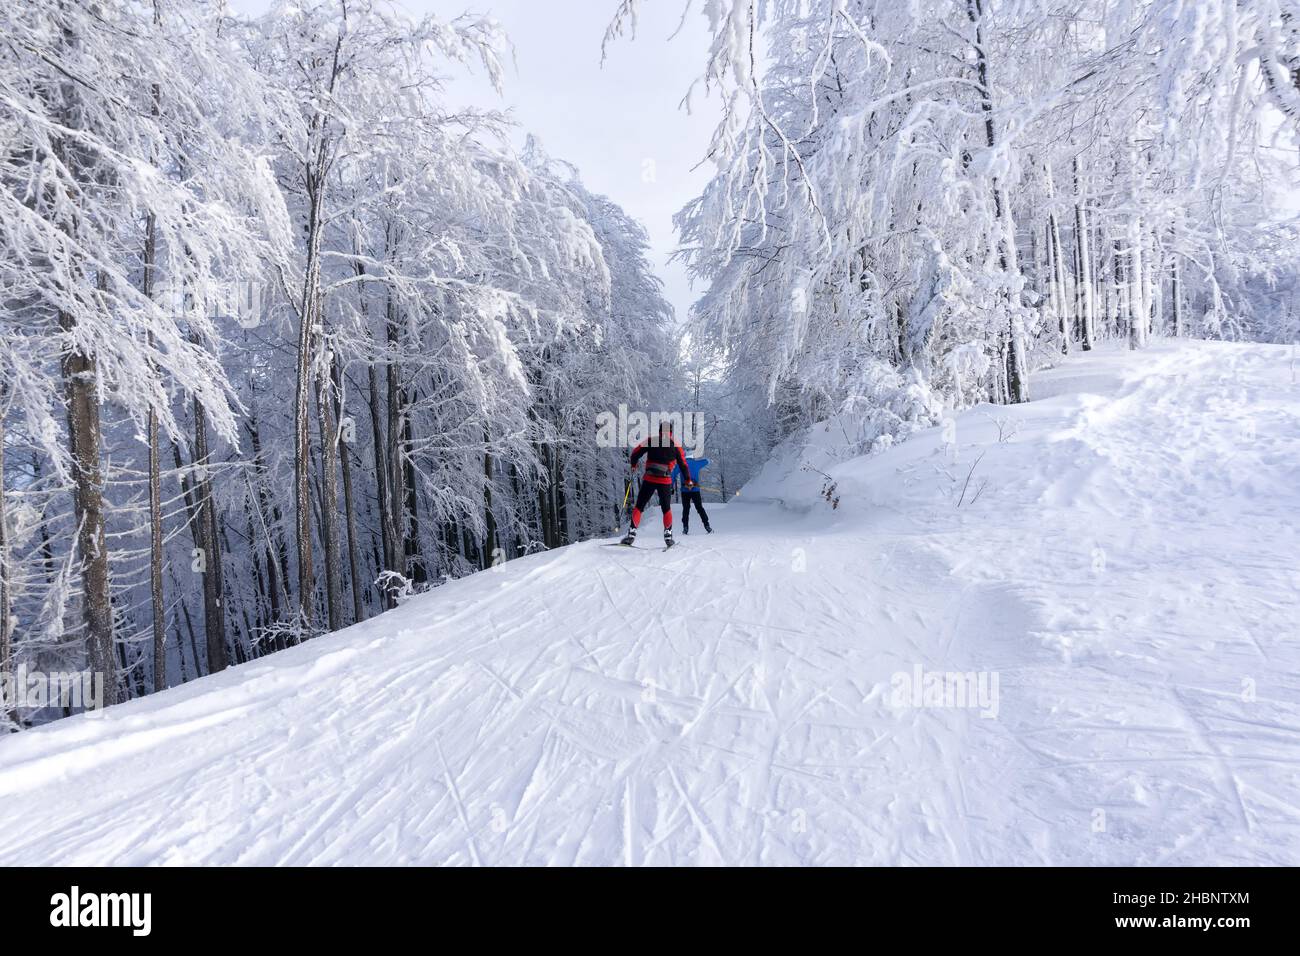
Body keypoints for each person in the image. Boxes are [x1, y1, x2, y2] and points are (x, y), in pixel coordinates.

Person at [621, 421, 693, 547]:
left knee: (639, 506)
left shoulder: (651, 440)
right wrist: (688, 480)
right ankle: (668, 536)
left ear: (659, 431)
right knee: (666, 509)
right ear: (670, 432)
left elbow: (635, 453)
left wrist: (633, 465)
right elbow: (683, 465)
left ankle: (631, 534)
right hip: (665, 481)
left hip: (650, 478)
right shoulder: (675, 445)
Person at [674, 456, 712, 534]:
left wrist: (670, 487)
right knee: (699, 508)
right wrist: (709, 460)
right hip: (695, 490)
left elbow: (673, 474)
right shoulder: (697, 463)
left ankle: (685, 527)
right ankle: (707, 526)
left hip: (685, 491)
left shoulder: (680, 464)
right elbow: (707, 460)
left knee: (686, 509)